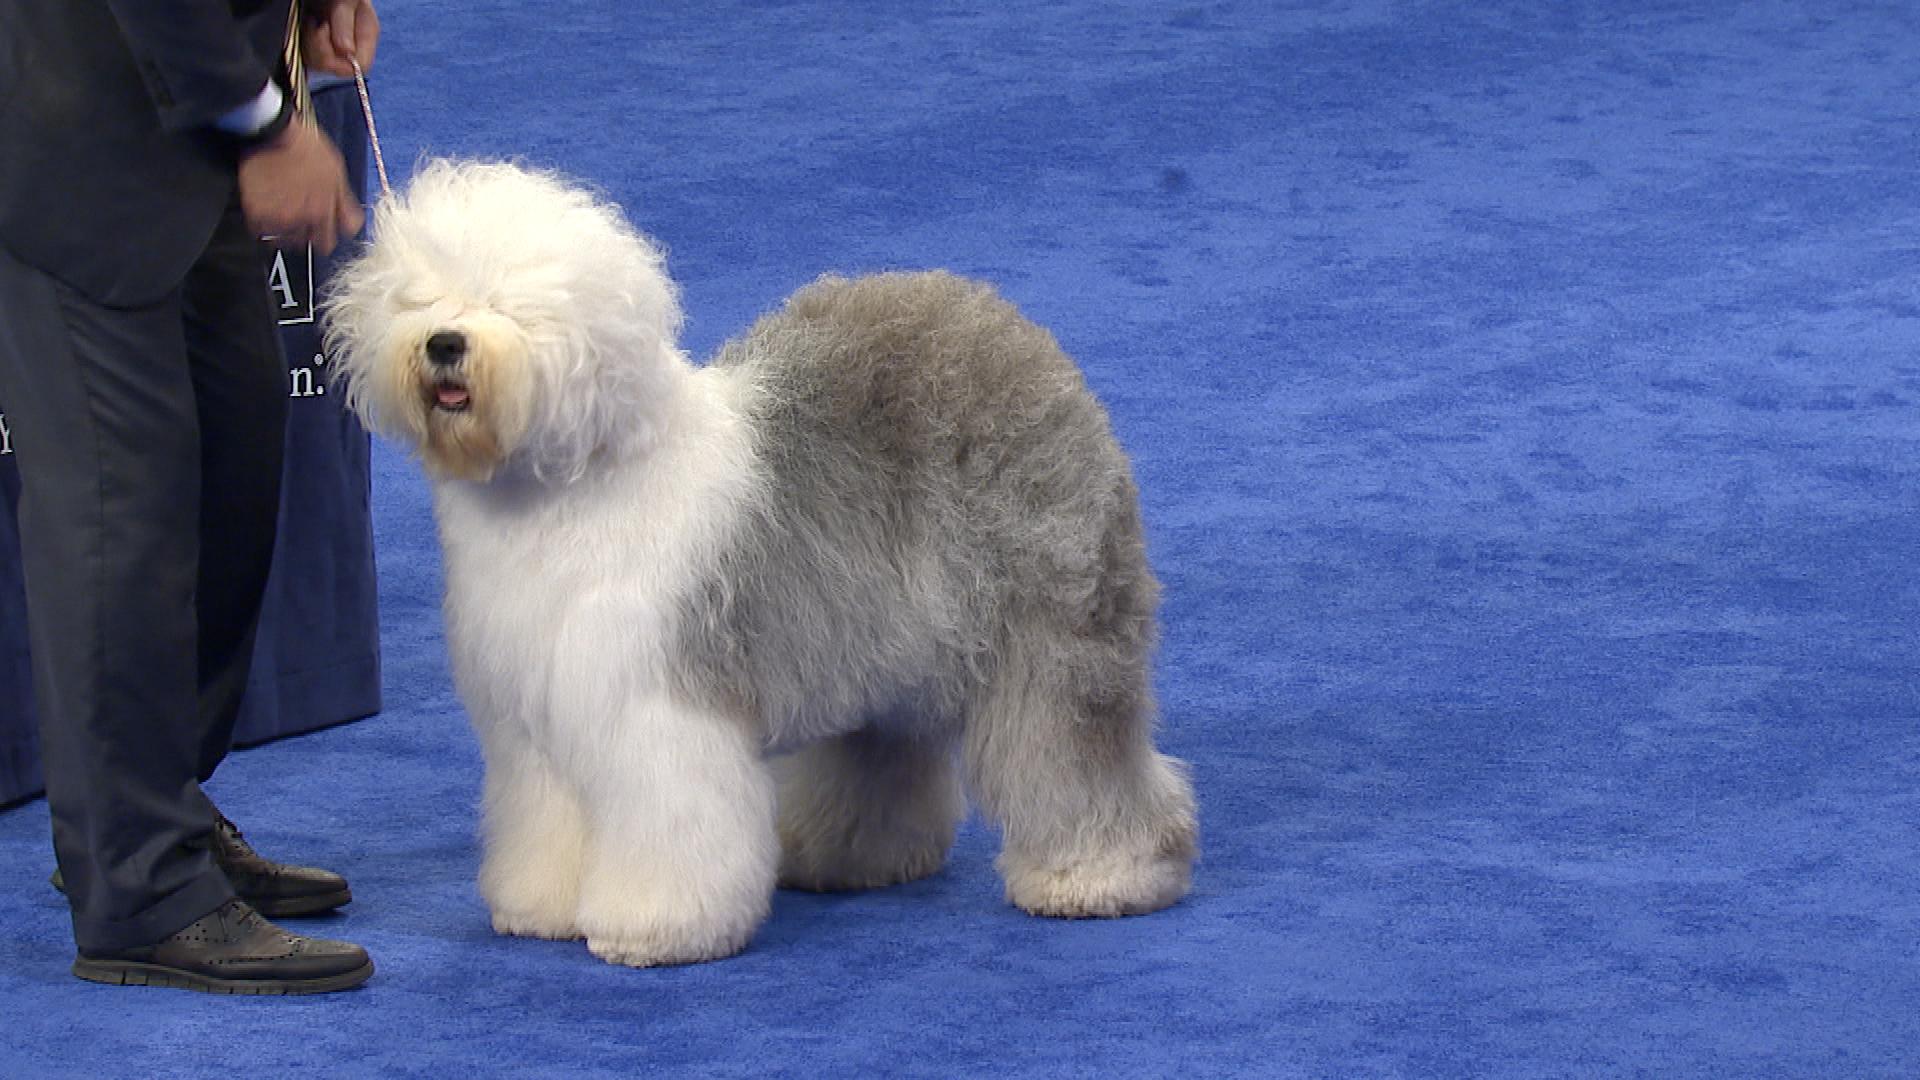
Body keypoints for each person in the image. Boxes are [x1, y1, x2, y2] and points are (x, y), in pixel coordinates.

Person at [0, 0, 382, 994]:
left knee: (233, 465)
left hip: (191, 119)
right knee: (119, 514)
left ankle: (154, 804)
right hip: (75, 126)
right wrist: (261, 121)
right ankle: (140, 886)